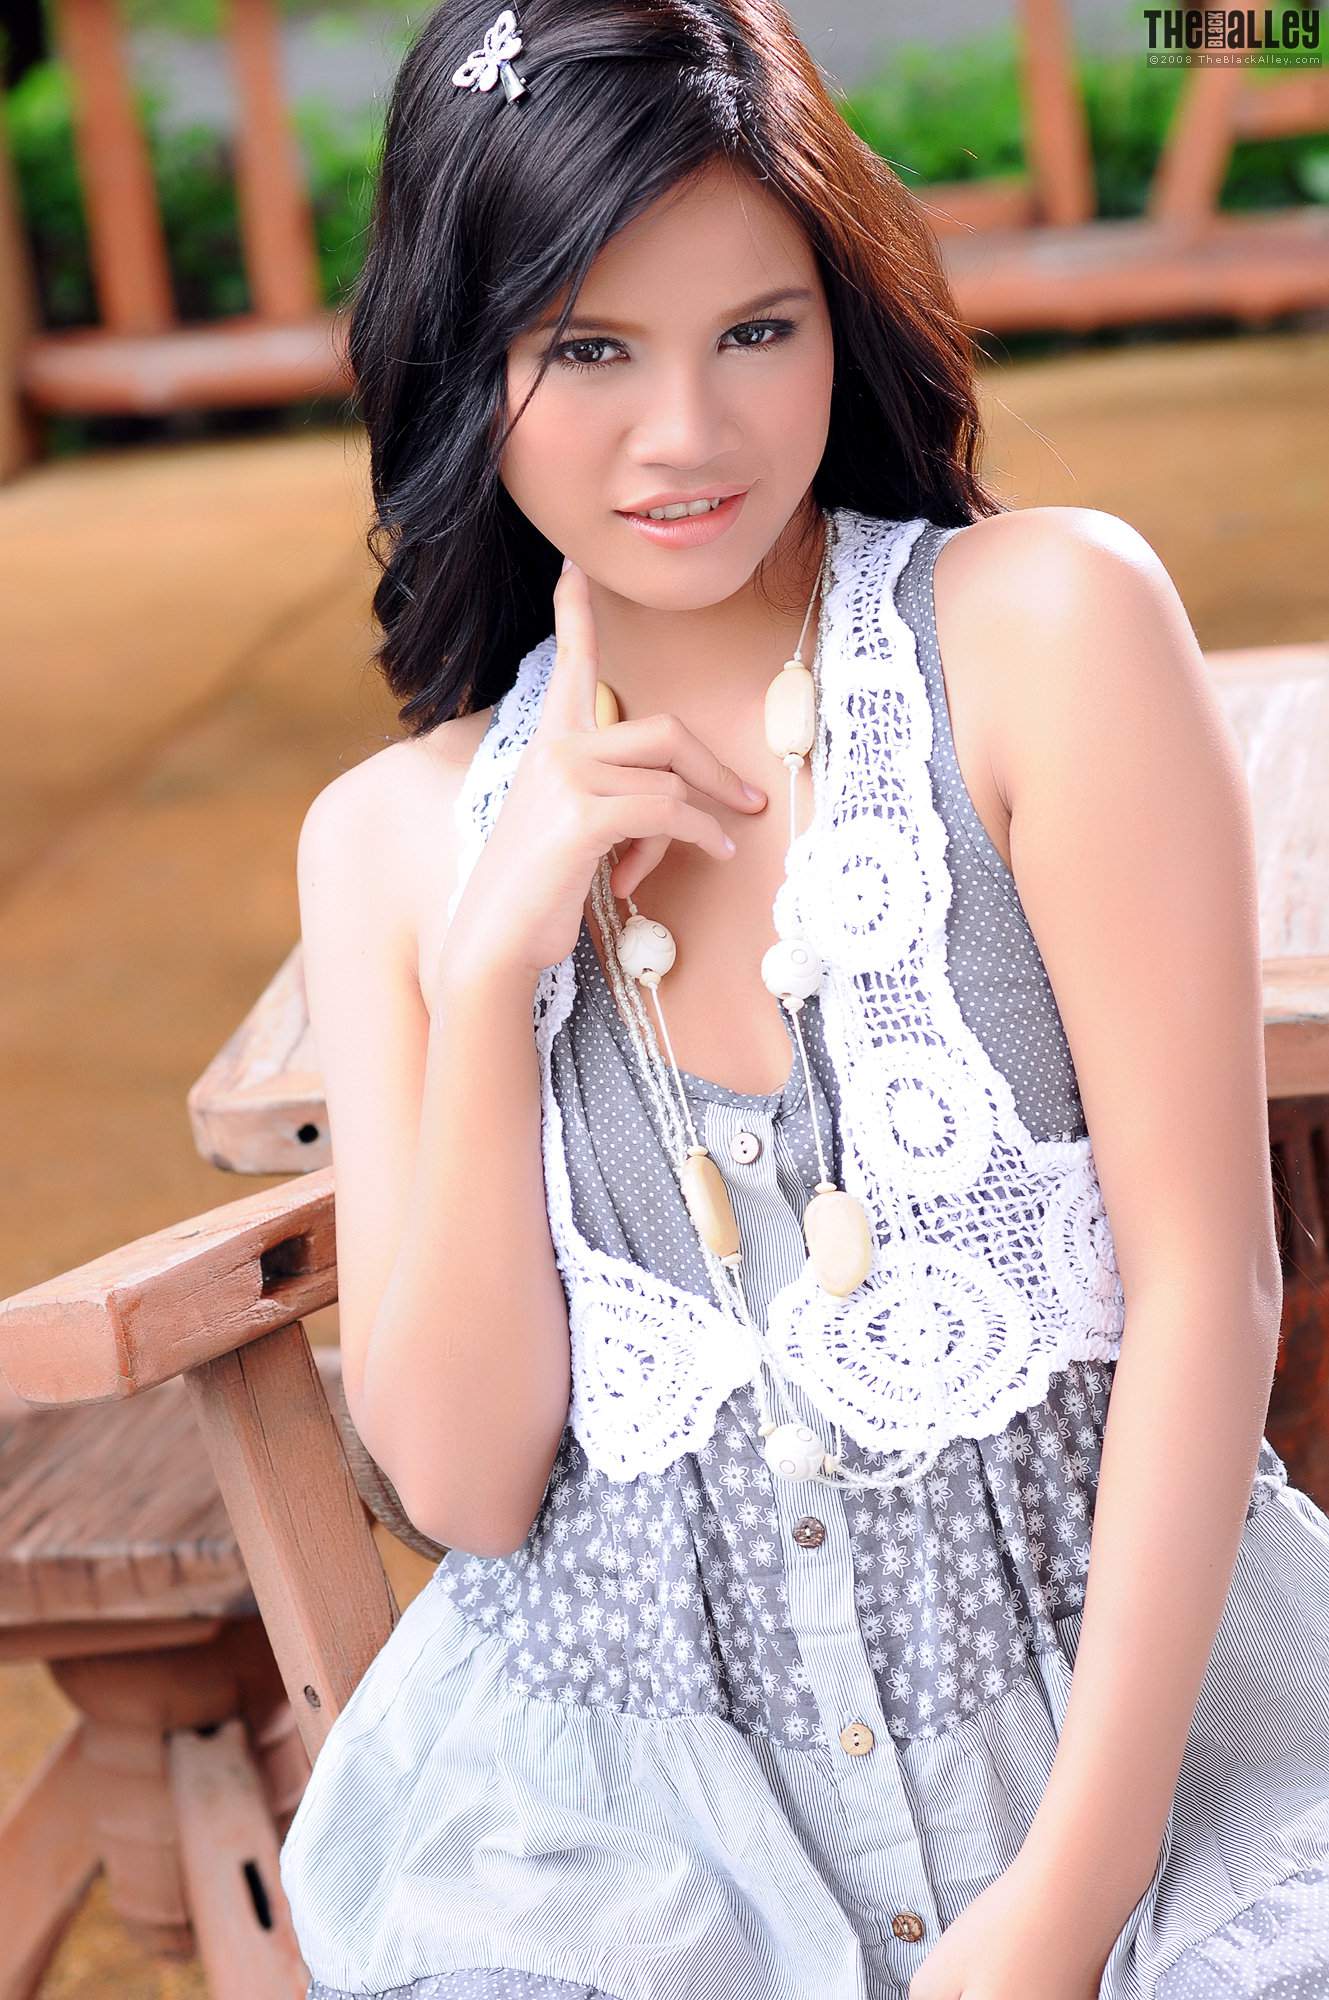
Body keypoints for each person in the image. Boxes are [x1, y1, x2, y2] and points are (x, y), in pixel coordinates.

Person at [277, 2, 1329, 1996]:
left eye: (754, 330)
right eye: (589, 348)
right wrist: (492, 969)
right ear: (456, 358)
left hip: (1147, 1795)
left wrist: (1062, 1907)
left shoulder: (1042, 634)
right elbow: (467, 1487)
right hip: (617, 1859)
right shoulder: (390, 844)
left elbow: (1211, 1283)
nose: (686, 433)